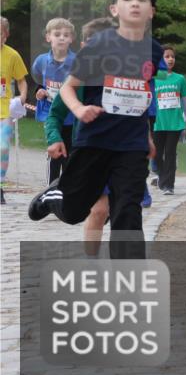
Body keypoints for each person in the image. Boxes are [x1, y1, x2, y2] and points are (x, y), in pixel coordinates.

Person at [28, 0, 164, 260]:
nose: (135, 4)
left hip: (131, 146)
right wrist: (79, 110)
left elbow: (141, 96)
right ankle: (53, 196)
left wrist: (147, 136)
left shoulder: (153, 50)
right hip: (95, 141)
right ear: (114, 9)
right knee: (76, 209)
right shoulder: (100, 44)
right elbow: (68, 88)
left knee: (128, 210)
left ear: (151, 10)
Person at [44, 17, 118, 255]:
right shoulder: (79, 79)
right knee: (98, 211)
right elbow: (54, 114)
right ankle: (53, 195)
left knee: (120, 210)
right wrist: (54, 138)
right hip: (89, 152)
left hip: (123, 153)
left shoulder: (129, 74)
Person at [31, 18, 76, 184]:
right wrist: (39, 91)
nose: (62, 38)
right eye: (57, 34)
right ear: (48, 37)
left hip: (71, 116)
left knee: (69, 155)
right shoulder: (41, 61)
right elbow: (38, 81)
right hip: (51, 115)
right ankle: (51, 189)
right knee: (54, 153)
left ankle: (68, 190)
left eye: (66, 35)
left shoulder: (77, 62)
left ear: (71, 39)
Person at [152, 45, 186, 195]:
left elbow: (185, 100)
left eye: (172, 56)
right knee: (156, 154)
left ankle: (169, 185)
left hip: (175, 123)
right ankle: (162, 176)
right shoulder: (155, 78)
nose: (170, 59)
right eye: (167, 56)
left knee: (170, 153)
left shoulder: (179, 78)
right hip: (157, 123)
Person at [1, 16, 30, 204]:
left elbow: (21, 79)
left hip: (4, 111)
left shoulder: (12, 55)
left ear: (6, 35)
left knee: (2, 148)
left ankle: (0, 185)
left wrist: (23, 95)